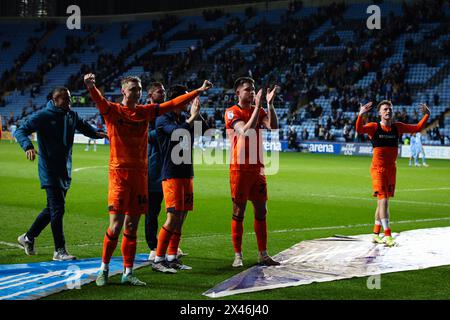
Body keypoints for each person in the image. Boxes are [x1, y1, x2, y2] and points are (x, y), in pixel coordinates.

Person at [84, 73, 212, 286]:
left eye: (139, 88)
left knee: (132, 226)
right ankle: (104, 268)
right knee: (115, 226)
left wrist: (198, 91)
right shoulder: (113, 111)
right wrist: (91, 87)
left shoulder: (145, 112)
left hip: (140, 176)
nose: (137, 92)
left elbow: (172, 104)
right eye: (133, 88)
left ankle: (128, 272)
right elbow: (99, 100)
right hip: (119, 175)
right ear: (123, 91)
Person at [14, 87, 106, 261]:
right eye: (65, 99)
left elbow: (87, 129)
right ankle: (59, 250)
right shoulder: (43, 116)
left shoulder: (72, 115)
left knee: (52, 209)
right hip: (49, 169)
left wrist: (100, 134)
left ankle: (28, 237)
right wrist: (28, 146)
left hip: (65, 169)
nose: (69, 102)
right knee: (58, 208)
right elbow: (20, 130)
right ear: (55, 100)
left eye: (70, 99)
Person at [356, 100, 430, 247]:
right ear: (379, 113)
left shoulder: (398, 127)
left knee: (383, 201)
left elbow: (417, 127)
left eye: (390, 109)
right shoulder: (374, 127)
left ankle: (376, 234)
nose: (388, 111)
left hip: (391, 169)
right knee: (383, 200)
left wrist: (427, 114)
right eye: (385, 109)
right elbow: (359, 130)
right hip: (378, 169)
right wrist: (360, 115)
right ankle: (388, 234)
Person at [224, 77, 280, 267]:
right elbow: (245, 131)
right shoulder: (232, 112)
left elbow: (273, 126)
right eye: (248, 89)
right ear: (238, 93)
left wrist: (270, 105)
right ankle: (238, 255)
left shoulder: (261, 109)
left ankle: (262, 254)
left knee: (261, 210)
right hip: (239, 168)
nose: (252, 92)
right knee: (239, 210)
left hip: (257, 168)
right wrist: (258, 107)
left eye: (253, 89)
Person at [152, 85, 202, 273]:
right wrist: (191, 117)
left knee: (181, 217)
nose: (188, 102)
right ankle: (158, 259)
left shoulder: (181, 117)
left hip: (186, 172)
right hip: (171, 172)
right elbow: (178, 133)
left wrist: (196, 114)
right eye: (185, 99)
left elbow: (202, 130)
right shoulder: (162, 118)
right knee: (172, 217)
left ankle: (172, 257)